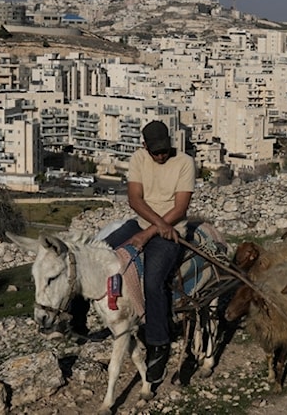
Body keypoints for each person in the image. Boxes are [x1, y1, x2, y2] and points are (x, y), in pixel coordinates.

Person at [102, 119, 195, 385]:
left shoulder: (184, 163)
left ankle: (158, 343)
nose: (161, 155)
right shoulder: (138, 159)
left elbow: (180, 207)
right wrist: (154, 227)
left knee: (153, 281)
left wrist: (151, 232)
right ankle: (75, 317)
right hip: (150, 224)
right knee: (99, 253)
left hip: (172, 230)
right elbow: (134, 199)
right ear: (145, 147)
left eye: (164, 150)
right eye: (156, 152)